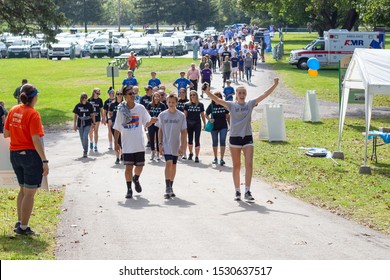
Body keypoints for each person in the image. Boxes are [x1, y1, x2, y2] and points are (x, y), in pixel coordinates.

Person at [203, 78, 279, 201]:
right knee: (237, 166)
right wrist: (207, 92)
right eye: (240, 93)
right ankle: (237, 191)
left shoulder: (250, 104)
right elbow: (217, 100)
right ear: (236, 95)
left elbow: (264, 95)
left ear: (246, 95)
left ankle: (247, 191)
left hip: (247, 137)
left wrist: (274, 85)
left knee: (249, 164)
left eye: (244, 93)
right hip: (234, 138)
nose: (242, 95)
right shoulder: (231, 105)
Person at [4, 84, 49, 235]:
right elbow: (36, 139)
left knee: (23, 189)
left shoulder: (13, 110)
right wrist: (44, 161)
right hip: (30, 155)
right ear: (34, 97)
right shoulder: (33, 114)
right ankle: (23, 228)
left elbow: (6, 133)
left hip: (14, 154)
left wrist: (18, 131)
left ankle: (20, 221)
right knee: (29, 193)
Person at [113, 86, 158, 199]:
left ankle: (136, 178)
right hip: (127, 144)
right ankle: (129, 189)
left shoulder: (140, 108)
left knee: (140, 166)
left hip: (139, 142)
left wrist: (151, 122)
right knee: (128, 167)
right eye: (129, 94)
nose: (132, 95)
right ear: (125, 96)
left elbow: (145, 123)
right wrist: (116, 143)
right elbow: (117, 127)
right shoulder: (121, 109)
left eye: (133, 93)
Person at [157, 93, 187, 199]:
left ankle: (171, 186)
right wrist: (160, 144)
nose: (171, 104)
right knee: (168, 163)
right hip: (166, 143)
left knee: (174, 165)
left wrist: (183, 146)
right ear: (166, 102)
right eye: (169, 102)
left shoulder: (181, 116)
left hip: (176, 144)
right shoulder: (162, 115)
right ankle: (167, 187)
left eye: (173, 102)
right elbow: (160, 130)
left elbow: (184, 132)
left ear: (176, 103)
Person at [205, 91, 230, 166]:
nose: (217, 97)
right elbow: (206, 114)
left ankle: (222, 159)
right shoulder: (211, 105)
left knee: (222, 141)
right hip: (214, 127)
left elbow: (227, 115)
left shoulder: (223, 105)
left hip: (223, 126)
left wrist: (230, 125)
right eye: (215, 96)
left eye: (219, 96)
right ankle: (215, 158)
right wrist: (209, 119)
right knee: (215, 142)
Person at [183, 90, 206, 162]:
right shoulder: (187, 105)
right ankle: (190, 153)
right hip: (189, 124)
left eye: (194, 95)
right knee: (190, 139)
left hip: (197, 124)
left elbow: (202, 115)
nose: (192, 96)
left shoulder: (200, 105)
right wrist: (184, 125)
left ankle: (197, 156)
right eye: (191, 95)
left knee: (197, 140)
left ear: (196, 95)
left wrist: (204, 123)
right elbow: (184, 116)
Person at [73, 93, 96, 158]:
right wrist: (74, 124)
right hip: (80, 122)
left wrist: (93, 123)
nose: (84, 99)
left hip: (88, 122)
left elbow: (92, 114)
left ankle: (85, 151)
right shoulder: (78, 105)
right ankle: (84, 148)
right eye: (83, 98)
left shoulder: (89, 105)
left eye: (85, 98)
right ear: (81, 98)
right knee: (82, 137)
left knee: (85, 136)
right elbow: (75, 115)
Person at [146, 92, 166, 161]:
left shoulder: (162, 105)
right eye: (155, 96)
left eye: (158, 96)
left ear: (160, 97)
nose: (156, 98)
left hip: (159, 123)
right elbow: (147, 114)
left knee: (158, 138)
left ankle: (158, 152)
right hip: (151, 123)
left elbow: (164, 114)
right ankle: (152, 151)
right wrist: (150, 120)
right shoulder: (149, 104)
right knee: (151, 137)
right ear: (153, 97)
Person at [108, 90, 123, 164]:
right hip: (114, 124)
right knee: (116, 141)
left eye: (121, 94)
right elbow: (110, 113)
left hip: (123, 125)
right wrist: (110, 119)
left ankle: (122, 154)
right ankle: (117, 157)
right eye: (118, 94)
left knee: (122, 140)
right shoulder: (112, 104)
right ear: (116, 95)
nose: (119, 95)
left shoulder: (125, 104)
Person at [88, 88, 104, 152]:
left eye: (99, 93)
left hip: (97, 117)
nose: (98, 95)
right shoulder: (89, 100)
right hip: (90, 118)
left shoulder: (100, 100)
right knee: (90, 131)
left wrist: (103, 117)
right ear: (94, 93)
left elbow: (101, 109)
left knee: (96, 131)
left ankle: (95, 145)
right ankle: (91, 141)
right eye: (97, 93)